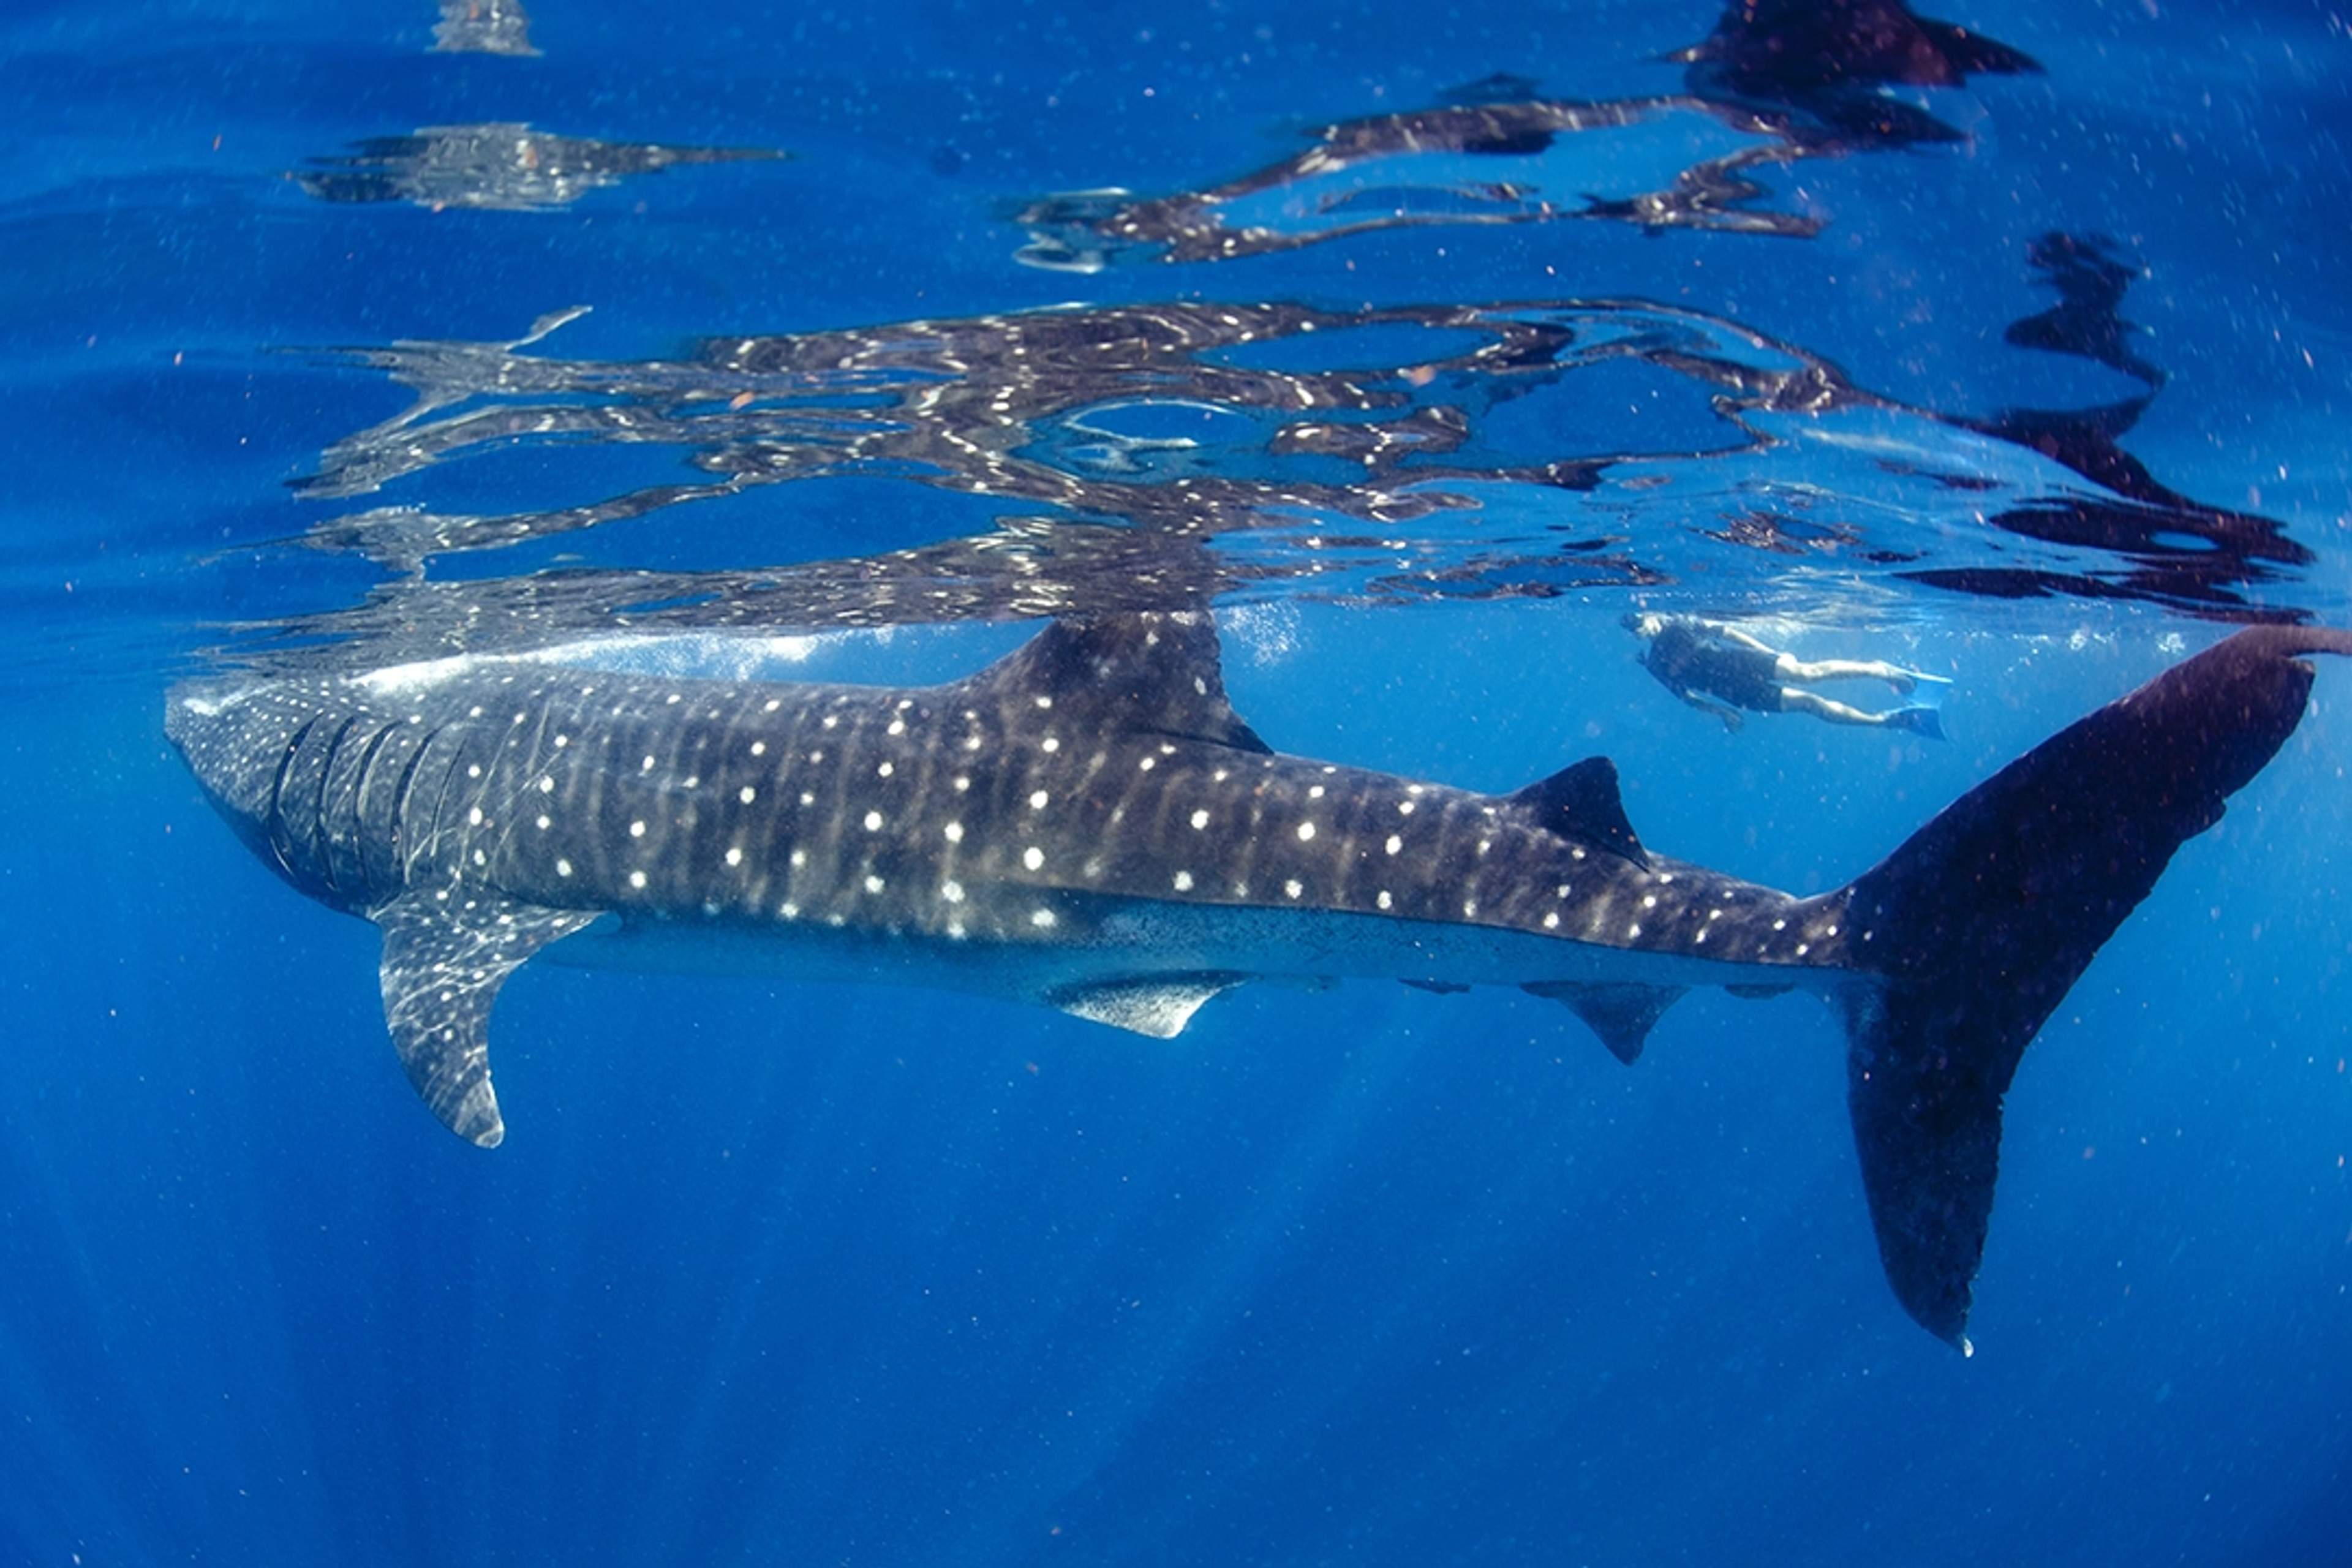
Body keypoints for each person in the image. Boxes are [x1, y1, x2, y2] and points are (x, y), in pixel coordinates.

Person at [1625, 612, 1947, 737]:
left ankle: (1882, 671)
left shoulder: (1679, 623)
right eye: (1640, 632)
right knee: (1809, 704)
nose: (1646, 632)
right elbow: (1688, 699)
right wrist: (1724, 712)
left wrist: (1766, 651)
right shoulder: (1655, 664)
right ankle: (1888, 721)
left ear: (1649, 615)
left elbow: (1729, 633)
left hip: (1744, 662)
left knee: (1806, 673)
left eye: (1643, 624)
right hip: (1738, 695)